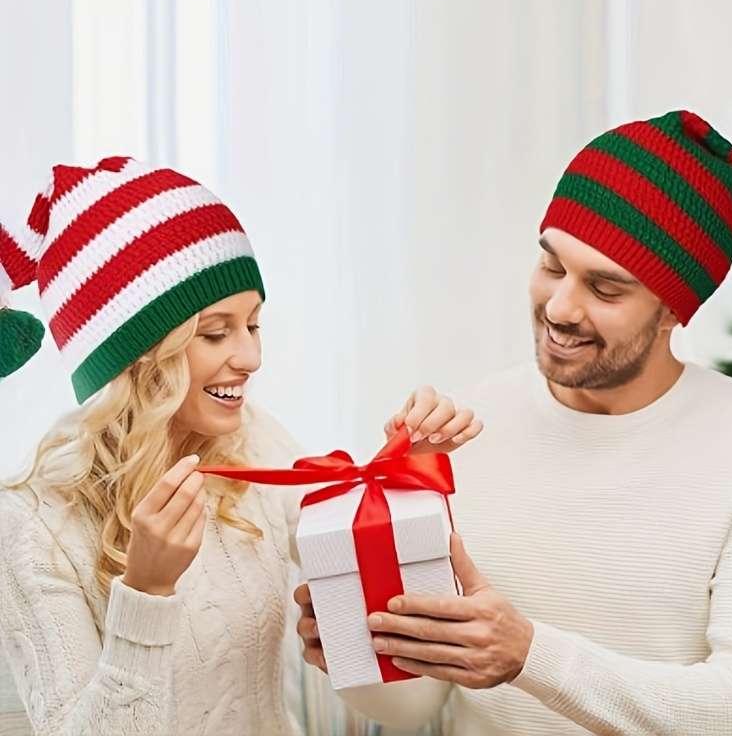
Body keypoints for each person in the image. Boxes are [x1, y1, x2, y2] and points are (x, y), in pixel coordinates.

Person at [298, 110, 732, 735]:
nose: (560, 308)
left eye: (605, 289)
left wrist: (530, 655)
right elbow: (421, 708)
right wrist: (357, 649)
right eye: (552, 267)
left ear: (674, 309)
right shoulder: (462, 430)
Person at [0, 156, 481, 735]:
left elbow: (406, 670)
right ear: (138, 356)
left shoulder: (251, 440)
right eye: (215, 332)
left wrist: (402, 475)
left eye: (253, 325)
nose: (251, 358)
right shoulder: (34, 524)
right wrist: (147, 592)